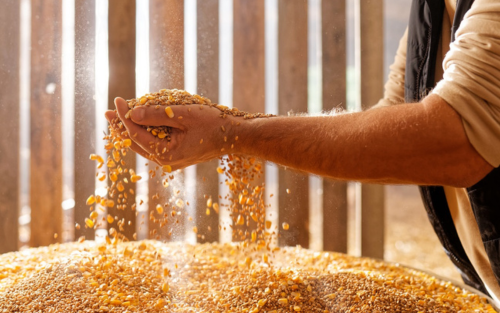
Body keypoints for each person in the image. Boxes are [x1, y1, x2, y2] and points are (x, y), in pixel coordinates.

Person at [106, 0, 500, 303]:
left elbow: (452, 137)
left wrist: (235, 133)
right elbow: (392, 125)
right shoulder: (431, 9)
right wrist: (236, 127)